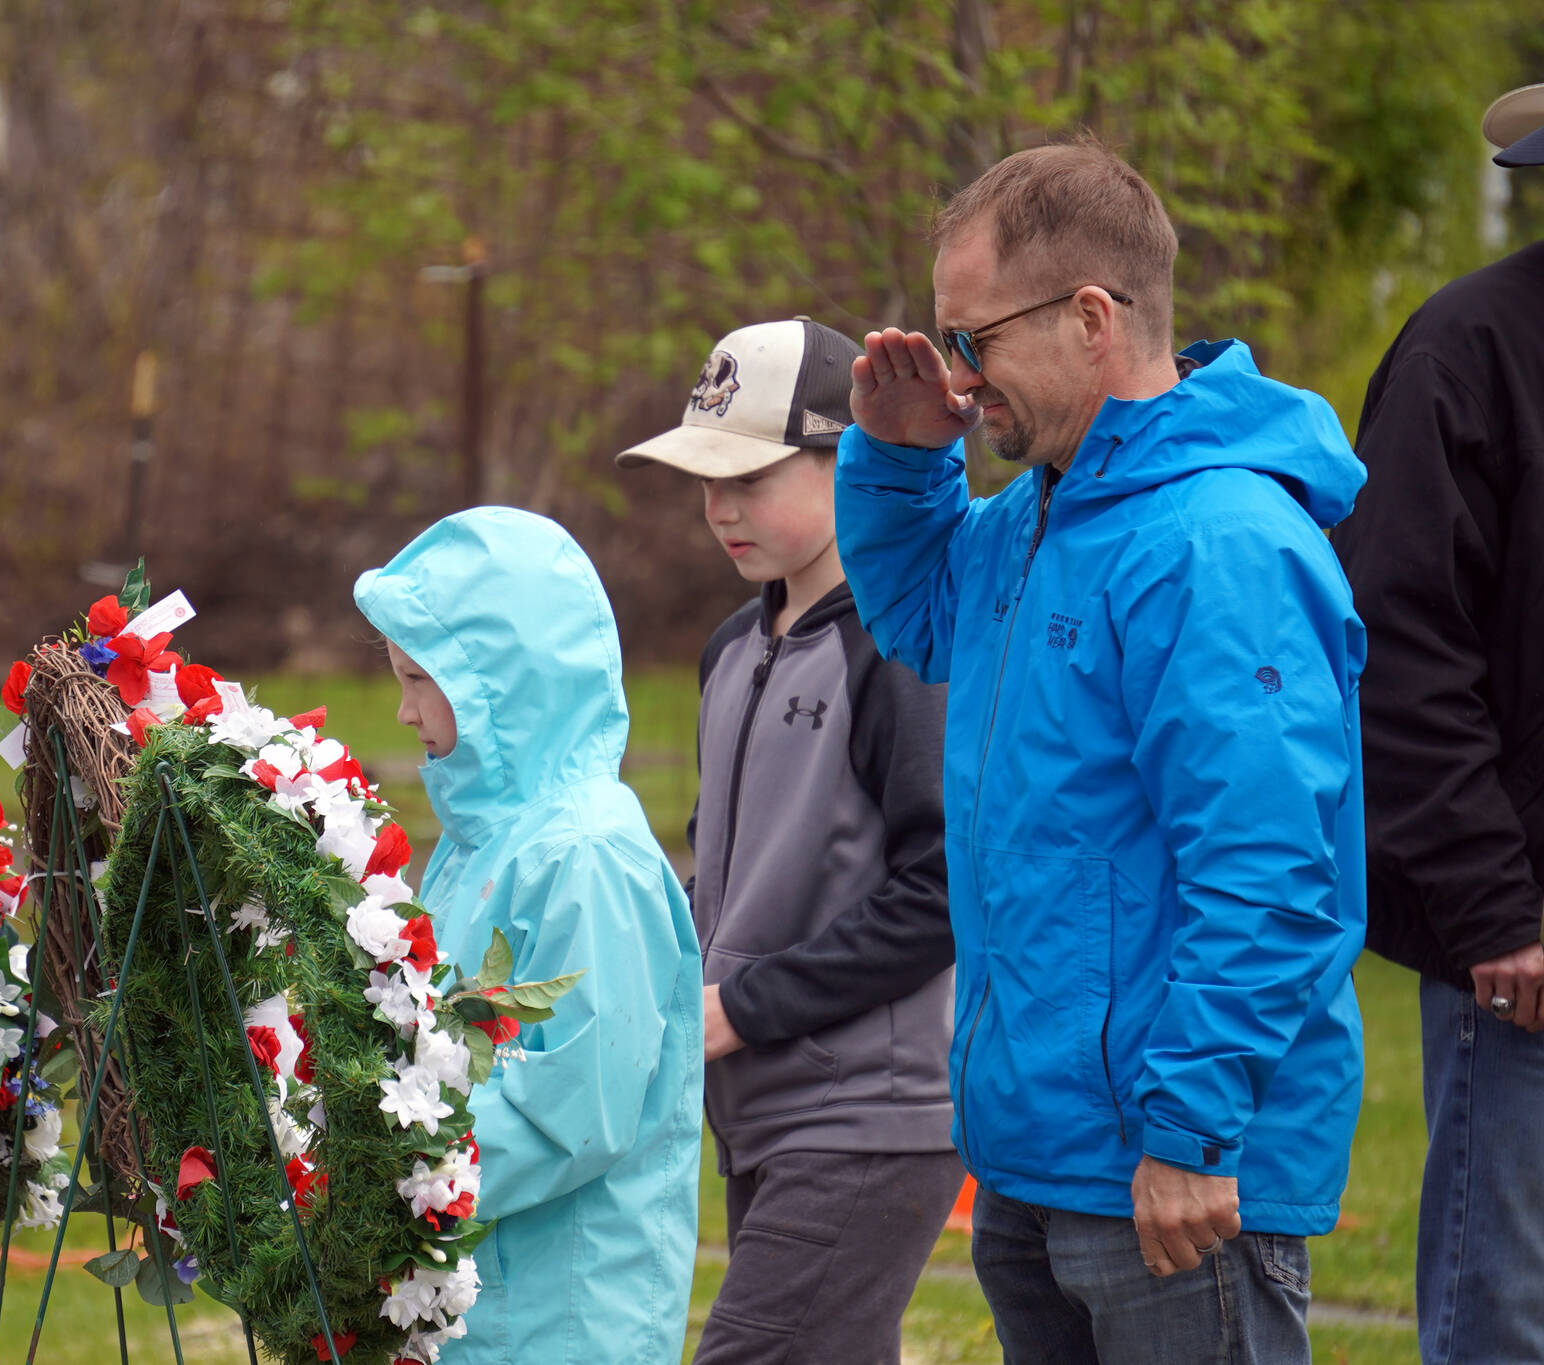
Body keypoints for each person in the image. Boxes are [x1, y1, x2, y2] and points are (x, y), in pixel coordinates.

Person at [834, 136, 1367, 1363]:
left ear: (1088, 318)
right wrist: (903, 455)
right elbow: (918, 620)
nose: (961, 382)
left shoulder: (1214, 540)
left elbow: (1271, 871)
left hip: (1169, 1174)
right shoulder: (1036, 514)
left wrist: (1188, 1132)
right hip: (1040, 1155)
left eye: (975, 343)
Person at [614, 317, 961, 1364]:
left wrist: (743, 1007)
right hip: (760, 1108)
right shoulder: (731, 646)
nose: (719, 508)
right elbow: (724, 867)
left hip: (869, 1115)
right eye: (702, 480)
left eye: (750, 477)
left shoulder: (898, 647)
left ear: (845, 457)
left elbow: (942, 890)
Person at [353, 506, 704, 1365]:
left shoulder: (584, 855)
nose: (403, 711)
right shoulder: (485, 840)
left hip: (568, 1317)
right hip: (482, 1304)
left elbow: (575, 1108)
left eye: (417, 678)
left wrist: (389, 1179)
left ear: (500, 683)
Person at [1327, 82, 1544, 1365]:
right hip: (1521, 956)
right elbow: (1395, 655)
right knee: (1503, 1320)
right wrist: (1493, 913)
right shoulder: (1464, 352)